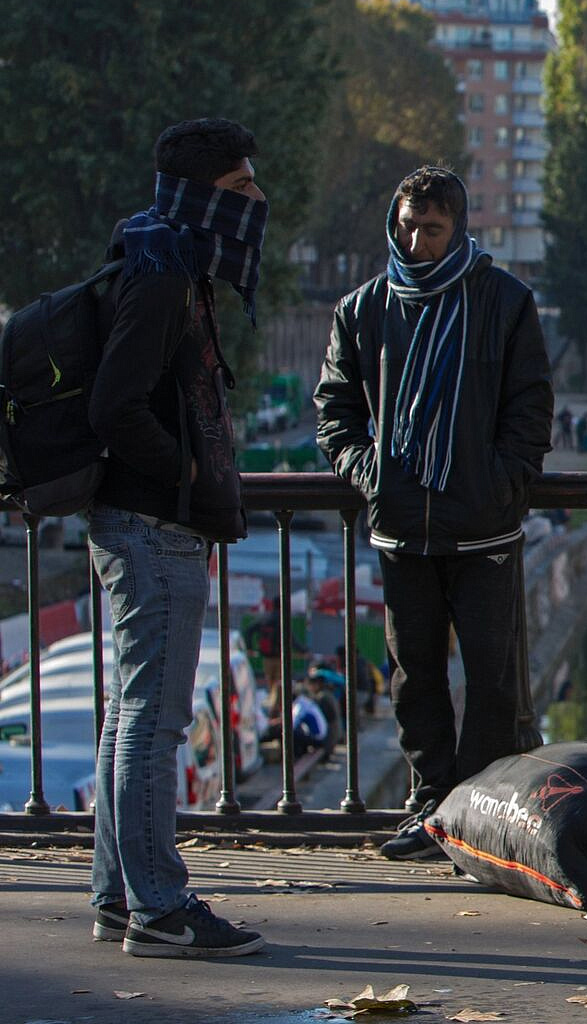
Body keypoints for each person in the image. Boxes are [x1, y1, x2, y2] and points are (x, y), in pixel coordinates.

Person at [315, 166, 554, 861]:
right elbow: (335, 412)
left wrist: (500, 482)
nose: (415, 241)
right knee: (414, 675)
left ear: (459, 230)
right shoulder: (363, 309)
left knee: (491, 676)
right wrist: (371, 476)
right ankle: (428, 810)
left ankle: (481, 812)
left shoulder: (504, 301)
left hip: (482, 526)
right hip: (401, 530)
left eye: (432, 229)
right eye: (407, 225)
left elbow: (530, 409)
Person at [87, 118, 266, 958]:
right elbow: (116, 406)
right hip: (153, 525)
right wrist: (189, 479)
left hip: (139, 519)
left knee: (130, 716)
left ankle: (120, 897)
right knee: (155, 723)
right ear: (201, 196)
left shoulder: (158, 255)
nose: (257, 202)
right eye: (241, 188)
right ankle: (159, 906)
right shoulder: (160, 274)